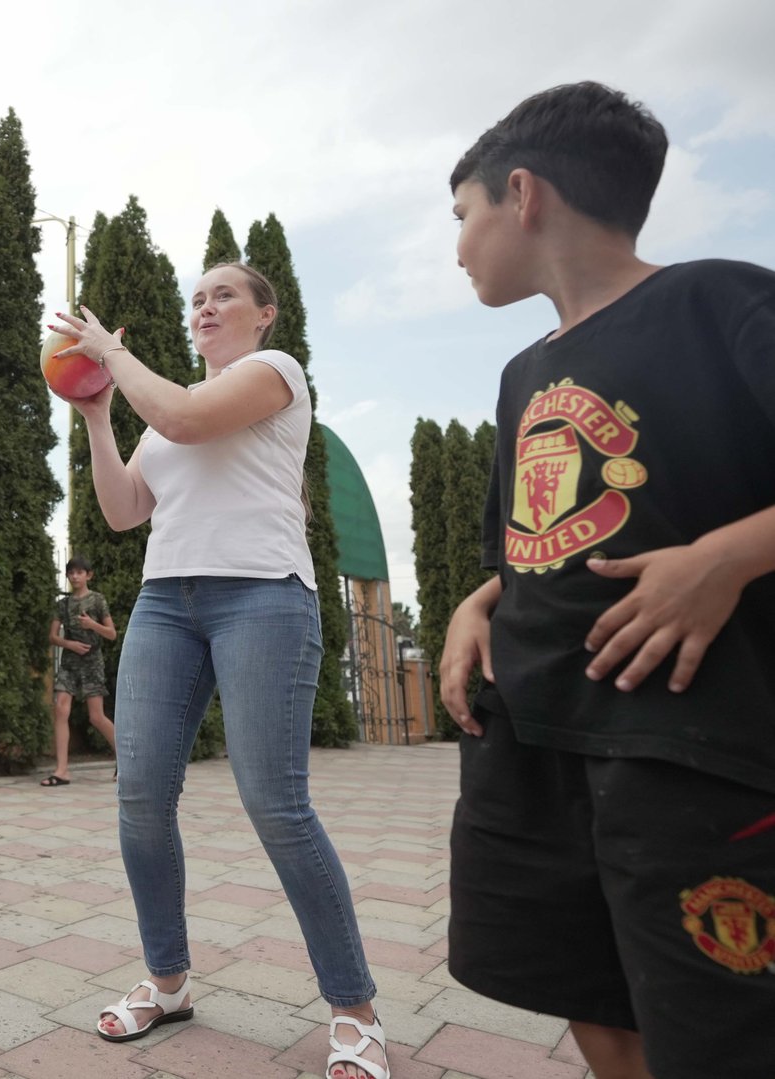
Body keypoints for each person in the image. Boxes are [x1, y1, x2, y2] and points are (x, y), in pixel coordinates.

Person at [438, 82, 775, 1079]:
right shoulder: (518, 375)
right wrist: (475, 600)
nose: (456, 247)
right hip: (531, 743)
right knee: (576, 982)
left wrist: (724, 557)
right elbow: (539, 543)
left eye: (462, 216)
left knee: (718, 1023)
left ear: (523, 194)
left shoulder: (719, 300)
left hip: (685, 742)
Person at [53, 266, 386, 1079]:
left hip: (263, 597)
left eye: (223, 296)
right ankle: (167, 981)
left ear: (265, 314)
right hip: (168, 601)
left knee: (275, 801)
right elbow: (127, 508)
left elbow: (184, 414)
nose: (204, 306)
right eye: (196, 298)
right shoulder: (162, 413)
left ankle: (355, 1010)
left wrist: (108, 355)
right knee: (139, 795)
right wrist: (98, 414)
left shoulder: (272, 375)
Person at [44, 555, 116, 786]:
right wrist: (69, 644)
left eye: (79, 572)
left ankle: (127, 760)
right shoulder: (62, 604)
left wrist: (92, 625)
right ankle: (62, 770)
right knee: (60, 709)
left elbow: (111, 633)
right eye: (71, 572)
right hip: (69, 663)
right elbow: (53, 636)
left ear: (88, 575)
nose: (75, 576)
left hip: (92, 662)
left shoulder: (97, 600)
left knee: (96, 717)